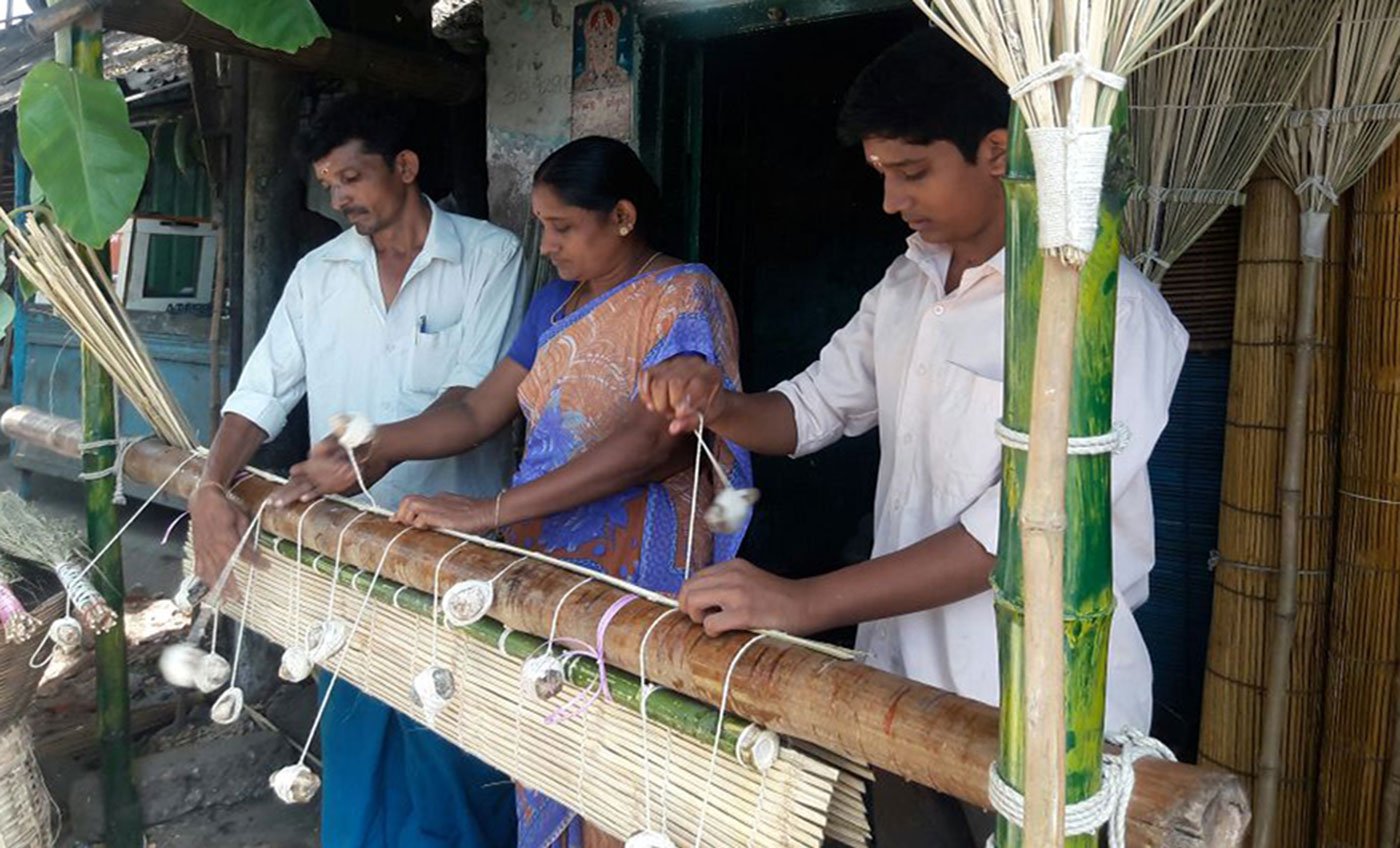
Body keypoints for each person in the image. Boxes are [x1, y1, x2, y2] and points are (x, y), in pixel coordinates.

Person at [639, 28, 1188, 847]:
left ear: (997, 151)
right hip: (895, 693)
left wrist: (804, 601)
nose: (893, 202)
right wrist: (715, 400)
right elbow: (809, 410)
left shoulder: (1109, 316)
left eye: (912, 173)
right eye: (883, 176)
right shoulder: (908, 282)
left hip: (1038, 714)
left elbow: (1018, 535)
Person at [277, 135, 752, 848]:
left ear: (621, 216)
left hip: (635, 577)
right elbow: (477, 410)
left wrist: (490, 511)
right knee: (552, 757)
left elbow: (653, 443)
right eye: (541, 227)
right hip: (547, 570)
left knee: (621, 778)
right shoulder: (554, 305)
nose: (548, 245)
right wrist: (377, 447)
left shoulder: (682, 293)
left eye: (563, 227)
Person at [189, 96, 522, 848]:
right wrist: (210, 485)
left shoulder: (489, 256)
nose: (338, 197)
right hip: (344, 550)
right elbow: (262, 391)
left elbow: (474, 400)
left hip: (451, 549)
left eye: (352, 176)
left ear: (403, 168)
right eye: (328, 182)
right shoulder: (319, 275)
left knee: (452, 744)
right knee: (357, 745)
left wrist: (372, 452)